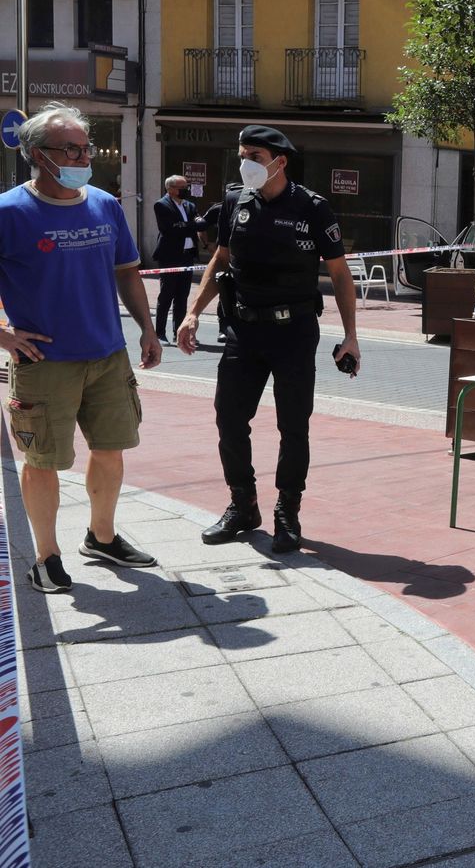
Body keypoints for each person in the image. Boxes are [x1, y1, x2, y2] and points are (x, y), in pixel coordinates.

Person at [177, 125, 362, 554]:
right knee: (228, 417)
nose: (246, 164)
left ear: (279, 161)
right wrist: (192, 312)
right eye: (242, 155)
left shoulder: (313, 208)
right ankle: (243, 504)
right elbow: (221, 260)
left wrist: (351, 336)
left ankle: (288, 511)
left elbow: (339, 274)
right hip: (244, 329)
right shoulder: (234, 201)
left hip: (294, 332)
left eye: (254, 156)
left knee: (292, 426)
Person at [0, 103, 161, 591]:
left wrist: (147, 329)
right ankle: (46, 557)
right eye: (70, 148)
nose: (83, 156)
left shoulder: (104, 204)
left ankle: (102, 536)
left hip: (107, 354)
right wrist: (3, 335)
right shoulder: (9, 212)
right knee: (44, 460)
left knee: (111, 450)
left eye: (85, 147)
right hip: (44, 361)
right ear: (36, 154)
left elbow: (127, 273)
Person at [152, 173, 203, 344]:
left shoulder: (189, 205)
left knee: (182, 296)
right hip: (170, 256)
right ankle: (159, 333)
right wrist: (191, 225)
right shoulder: (161, 205)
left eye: (186, 187)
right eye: (182, 188)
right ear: (171, 189)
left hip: (187, 256)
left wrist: (193, 224)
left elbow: (197, 220)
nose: (185, 190)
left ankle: (178, 332)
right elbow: (169, 229)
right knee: (166, 295)